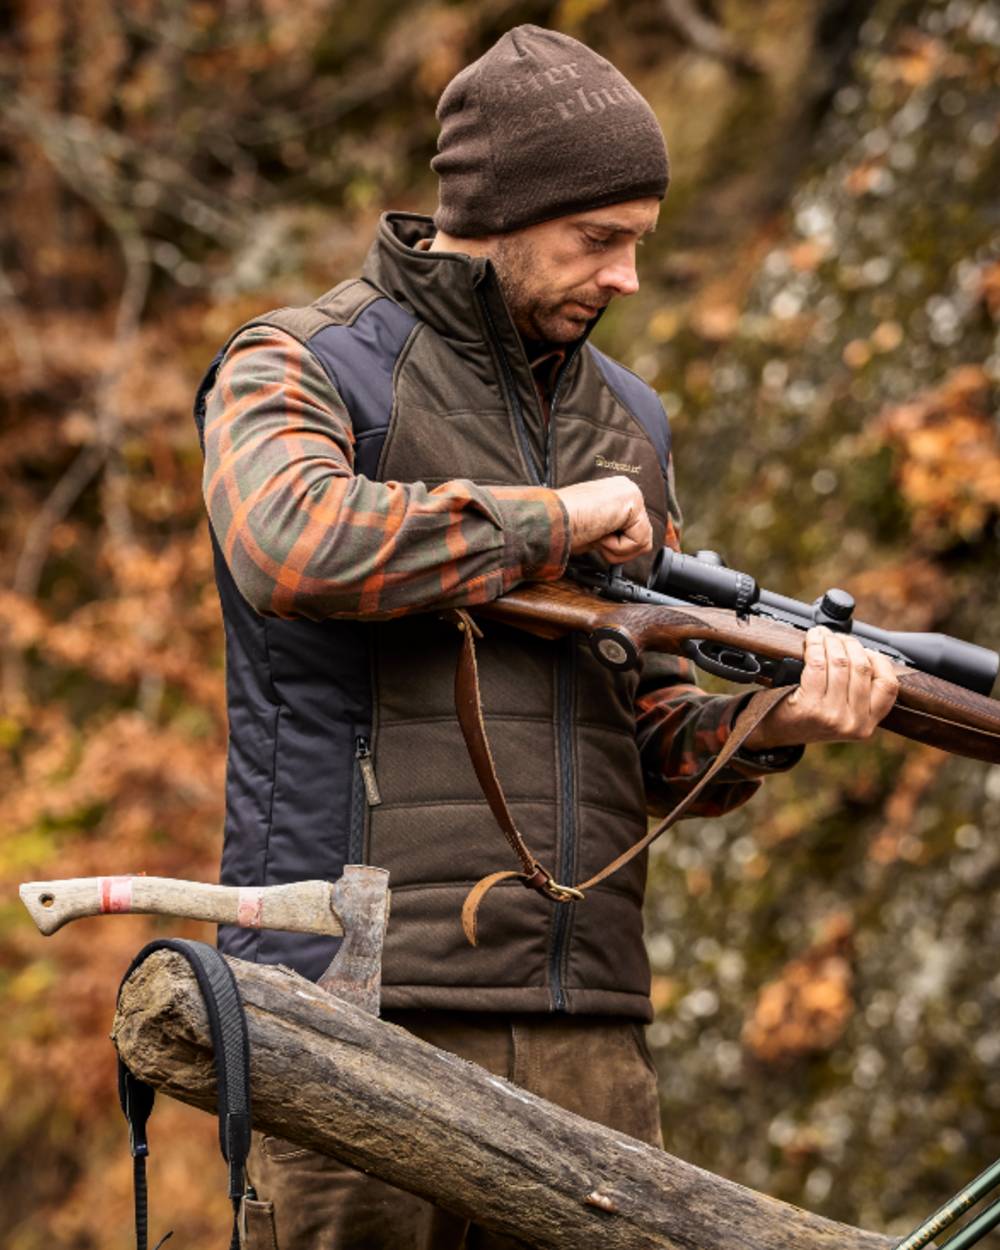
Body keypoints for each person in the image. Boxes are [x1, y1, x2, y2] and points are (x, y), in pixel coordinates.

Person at [194, 24, 898, 1250]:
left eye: (639, 240)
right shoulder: (300, 361)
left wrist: (774, 719)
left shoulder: (630, 417)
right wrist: (553, 518)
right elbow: (289, 541)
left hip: (589, 1022)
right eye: (599, 240)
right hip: (353, 1002)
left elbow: (649, 735)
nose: (626, 276)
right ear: (503, 214)